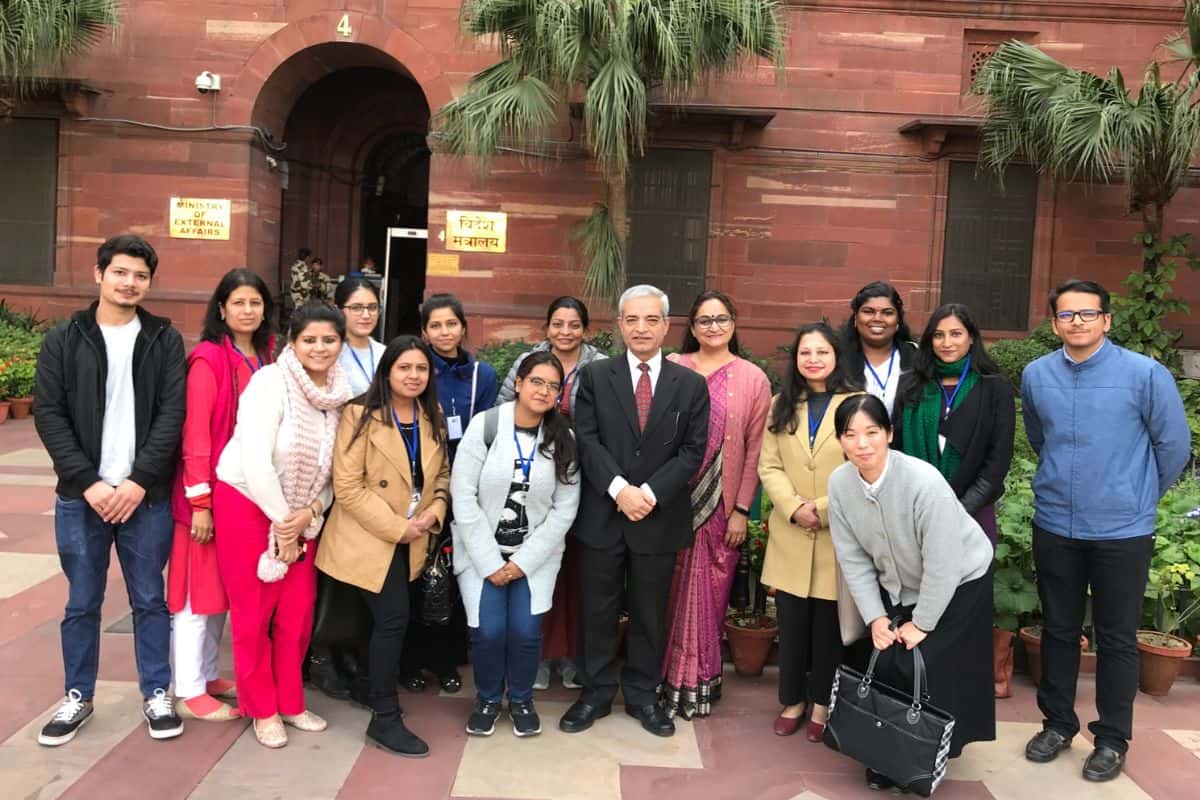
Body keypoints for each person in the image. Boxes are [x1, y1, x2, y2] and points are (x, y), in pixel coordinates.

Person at [1020, 280, 1190, 782]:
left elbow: (1173, 447)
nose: (1077, 322)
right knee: (1058, 629)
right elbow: (1038, 437)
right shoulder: (1036, 375)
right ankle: (1057, 724)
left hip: (1122, 530)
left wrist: (1136, 497)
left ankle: (1112, 738)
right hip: (1055, 522)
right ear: (1054, 323)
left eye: (1087, 314)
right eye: (1067, 315)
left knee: (1115, 638)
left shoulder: (1144, 374)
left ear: (1106, 320)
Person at [33, 234, 186, 745]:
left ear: (149, 282)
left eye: (140, 275)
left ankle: (156, 693)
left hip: (145, 499)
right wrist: (90, 484)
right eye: (120, 272)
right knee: (81, 601)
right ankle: (78, 695)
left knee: (149, 599)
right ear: (100, 275)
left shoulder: (163, 339)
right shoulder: (64, 338)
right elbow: (50, 415)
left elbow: (172, 416)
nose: (130, 283)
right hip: (83, 498)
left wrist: (139, 481)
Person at [560, 284, 709, 739]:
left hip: (658, 516)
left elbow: (693, 451)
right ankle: (595, 693)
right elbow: (585, 440)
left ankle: (644, 695)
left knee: (649, 613)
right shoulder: (596, 376)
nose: (641, 328)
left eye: (651, 320)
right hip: (604, 514)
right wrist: (621, 489)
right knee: (597, 610)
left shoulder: (690, 383)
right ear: (619, 325)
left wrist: (647, 493)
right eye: (632, 319)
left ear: (666, 326)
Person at [827, 394, 995, 790]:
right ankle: (887, 754)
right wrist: (876, 617)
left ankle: (927, 755)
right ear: (841, 441)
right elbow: (852, 558)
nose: (862, 444)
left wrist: (923, 622)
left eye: (872, 432)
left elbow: (944, 561)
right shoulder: (840, 484)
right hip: (898, 583)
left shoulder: (923, 481)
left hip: (960, 577)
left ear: (888, 434)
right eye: (850, 434)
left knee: (931, 663)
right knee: (885, 658)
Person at [213, 303, 351, 748]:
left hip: (303, 516)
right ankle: (261, 707)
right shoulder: (270, 382)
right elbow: (254, 457)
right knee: (253, 615)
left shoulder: (340, 394)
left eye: (329, 339)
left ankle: (291, 702)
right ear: (293, 342)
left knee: (296, 614)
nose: (319, 348)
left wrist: (311, 513)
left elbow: (337, 472)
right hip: (248, 504)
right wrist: (284, 522)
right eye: (309, 339)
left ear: (341, 344)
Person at [319, 335, 451, 757]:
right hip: (368, 535)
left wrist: (435, 512)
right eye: (404, 368)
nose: (413, 376)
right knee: (393, 619)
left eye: (421, 369)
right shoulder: (360, 414)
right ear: (387, 371)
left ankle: (367, 686)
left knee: (386, 621)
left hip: (413, 534)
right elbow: (348, 486)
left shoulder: (434, 415)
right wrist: (399, 527)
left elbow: (444, 474)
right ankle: (384, 716)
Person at [452, 351, 582, 737]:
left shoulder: (563, 438)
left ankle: (522, 698)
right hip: (482, 553)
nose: (544, 391)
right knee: (488, 631)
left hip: (533, 557)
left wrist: (522, 562)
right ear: (520, 383)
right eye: (537, 381)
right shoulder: (486, 426)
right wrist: (491, 561)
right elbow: (463, 495)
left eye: (553, 386)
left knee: (526, 632)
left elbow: (565, 508)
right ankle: (489, 699)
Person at [169, 268, 275, 722]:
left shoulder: (267, 355)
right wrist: (200, 503)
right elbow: (195, 434)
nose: (247, 311)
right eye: (238, 303)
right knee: (195, 596)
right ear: (221, 309)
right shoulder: (209, 360)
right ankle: (189, 690)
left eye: (255, 302)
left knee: (223, 592)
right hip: (207, 497)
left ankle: (209, 675)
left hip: (247, 496)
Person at [661, 291, 770, 720]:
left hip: (722, 506)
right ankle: (665, 677)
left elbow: (756, 449)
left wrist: (743, 508)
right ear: (691, 327)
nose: (713, 327)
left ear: (734, 322)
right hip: (672, 500)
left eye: (721, 319)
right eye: (704, 320)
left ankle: (700, 680)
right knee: (667, 590)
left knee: (710, 591)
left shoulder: (752, 378)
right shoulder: (673, 367)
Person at [758, 322, 862, 742]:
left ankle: (822, 703)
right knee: (793, 625)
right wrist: (793, 507)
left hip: (838, 535)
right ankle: (792, 701)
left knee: (828, 630)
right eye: (805, 353)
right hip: (791, 533)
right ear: (796, 359)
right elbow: (769, 464)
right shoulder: (781, 403)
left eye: (822, 351)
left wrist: (819, 508)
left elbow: (864, 464)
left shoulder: (857, 403)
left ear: (836, 356)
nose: (814, 359)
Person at [498, 296, 606, 691]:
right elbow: (504, 411)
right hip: (532, 477)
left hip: (585, 478)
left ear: (585, 329)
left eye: (573, 324)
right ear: (547, 327)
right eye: (558, 323)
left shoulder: (599, 366)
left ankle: (572, 656)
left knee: (577, 574)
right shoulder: (526, 364)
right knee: (535, 562)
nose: (565, 332)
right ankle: (538, 656)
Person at [399, 293, 498, 694]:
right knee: (418, 574)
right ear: (424, 331)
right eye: (435, 325)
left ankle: (448, 659)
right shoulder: (417, 370)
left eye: (451, 324)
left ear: (463, 326)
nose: (444, 332)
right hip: (423, 485)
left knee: (457, 574)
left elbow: (489, 431)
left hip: (469, 486)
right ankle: (412, 660)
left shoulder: (482, 375)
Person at [892, 303, 1015, 544]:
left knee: (971, 580)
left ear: (971, 338)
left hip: (973, 512)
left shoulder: (994, 387)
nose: (947, 342)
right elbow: (896, 448)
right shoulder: (910, 385)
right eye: (939, 335)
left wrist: (960, 510)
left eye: (956, 334)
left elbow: (998, 458)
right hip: (917, 509)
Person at [840, 282, 917, 416]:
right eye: (868, 312)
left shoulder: (916, 357)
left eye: (887, 313)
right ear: (855, 318)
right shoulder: (838, 358)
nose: (877, 318)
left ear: (898, 320)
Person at [335, 277, 387, 398]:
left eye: (372, 307)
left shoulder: (385, 352)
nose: (366, 315)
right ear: (338, 310)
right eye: (356, 308)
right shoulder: (329, 353)